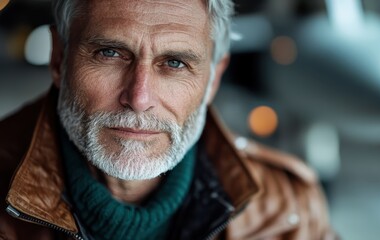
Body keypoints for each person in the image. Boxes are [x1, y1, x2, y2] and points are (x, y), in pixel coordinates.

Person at [0, 0, 337, 239]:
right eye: (110, 53)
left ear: (214, 79)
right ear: (59, 58)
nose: (139, 98)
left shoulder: (287, 209)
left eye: (174, 63)